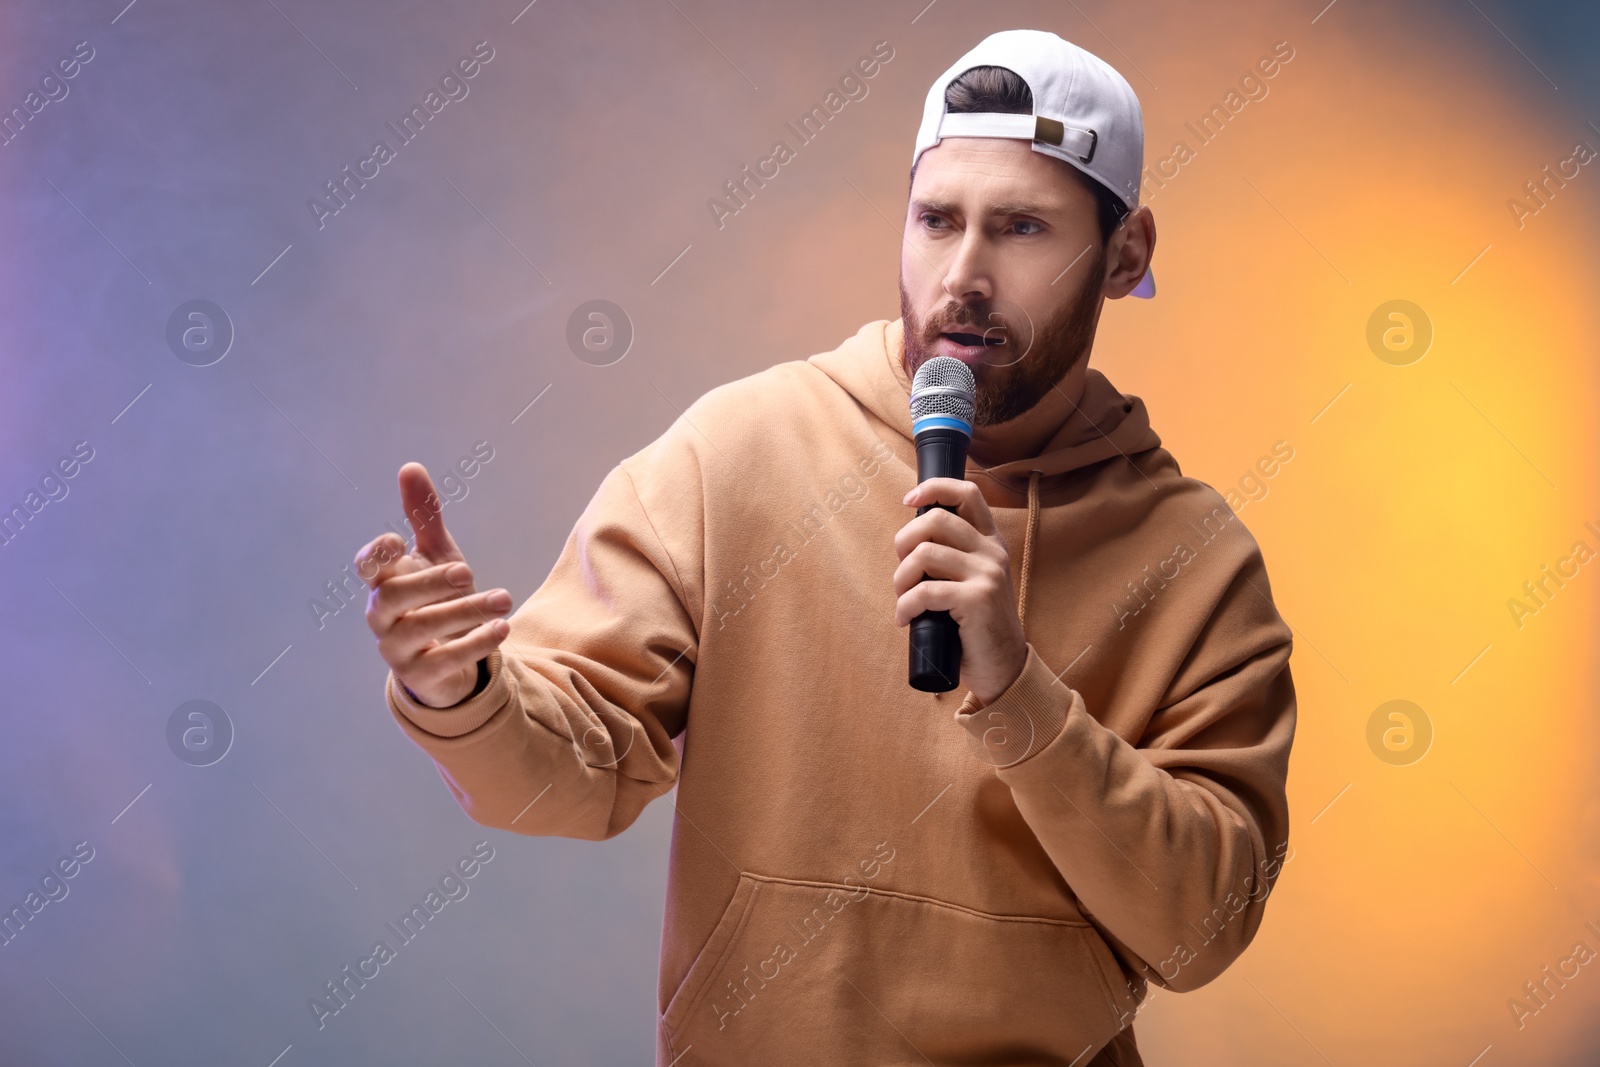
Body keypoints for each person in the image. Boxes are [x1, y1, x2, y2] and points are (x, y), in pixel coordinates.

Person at [355, 28, 1296, 1067]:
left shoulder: (1196, 560)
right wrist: (462, 691)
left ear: (1126, 253)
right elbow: (563, 776)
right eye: (937, 220)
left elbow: (1202, 925)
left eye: (1022, 227)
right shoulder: (739, 453)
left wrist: (1019, 690)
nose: (964, 275)